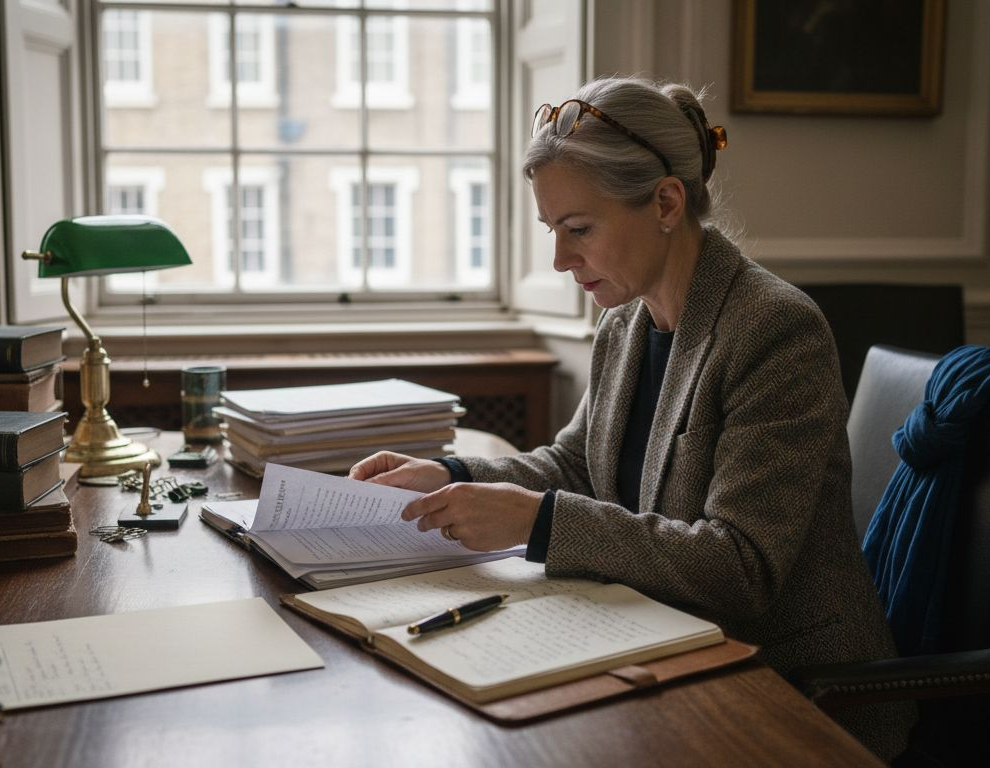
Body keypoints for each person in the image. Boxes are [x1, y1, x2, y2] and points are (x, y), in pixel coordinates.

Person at [349, 75, 911, 760]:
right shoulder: (624, 321)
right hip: (664, 647)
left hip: (788, 691)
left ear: (667, 202)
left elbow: (740, 566)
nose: (560, 259)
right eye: (552, 230)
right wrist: (448, 476)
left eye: (579, 228)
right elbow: (578, 464)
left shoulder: (774, 329)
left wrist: (536, 520)